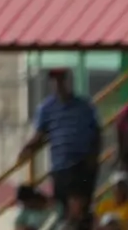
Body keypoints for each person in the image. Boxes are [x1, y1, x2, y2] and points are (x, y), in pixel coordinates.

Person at [21, 69, 100, 217]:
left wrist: (93, 159)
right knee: (63, 208)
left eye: (61, 79)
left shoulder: (84, 106)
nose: (58, 84)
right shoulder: (46, 108)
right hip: (60, 165)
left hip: (82, 164)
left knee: (79, 206)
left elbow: (96, 133)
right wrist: (28, 148)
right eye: (55, 80)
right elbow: (40, 134)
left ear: (68, 81)